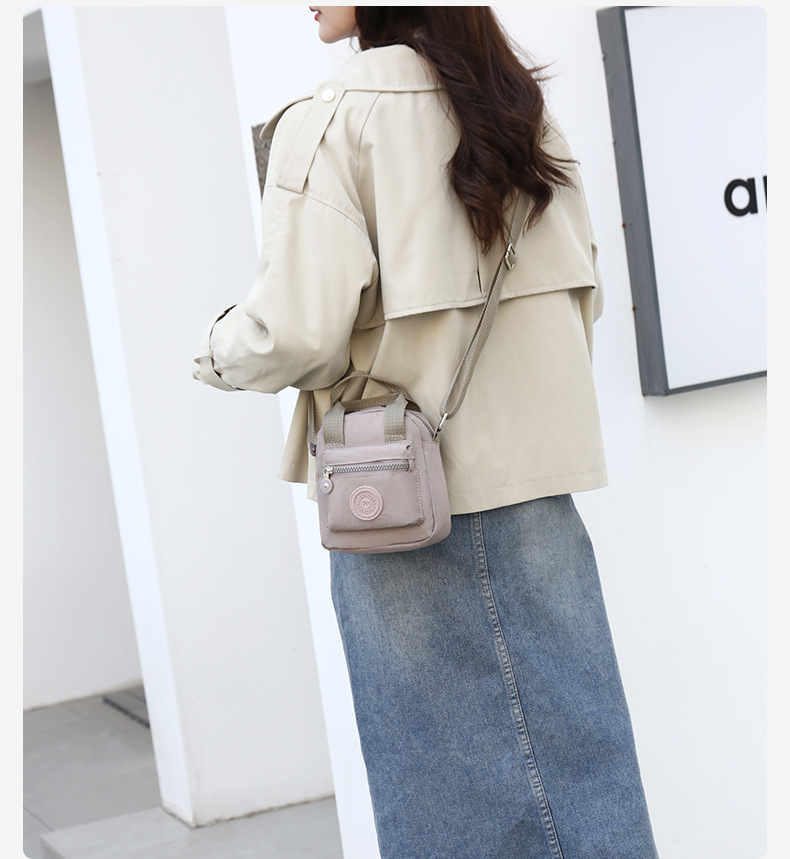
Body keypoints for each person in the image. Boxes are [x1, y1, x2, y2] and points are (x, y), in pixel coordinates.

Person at [193, 7, 659, 858]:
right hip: (536, 496)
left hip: (400, 505)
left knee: (444, 805)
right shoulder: (519, 112)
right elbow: (580, 295)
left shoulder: (333, 120)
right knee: (586, 777)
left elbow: (293, 332)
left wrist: (214, 349)